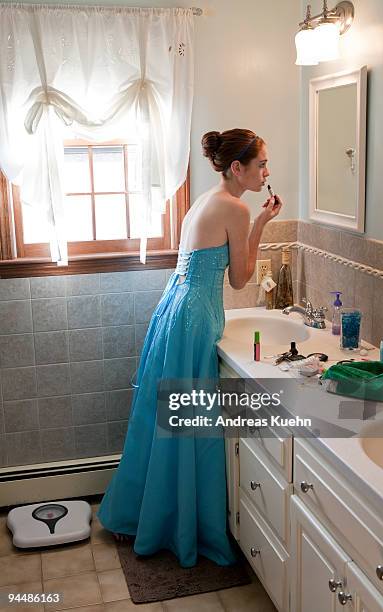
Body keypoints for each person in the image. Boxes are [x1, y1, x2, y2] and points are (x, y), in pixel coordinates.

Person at [97, 128, 283, 568]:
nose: (266, 172)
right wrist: (260, 224)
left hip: (174, 310)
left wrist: (255, 224)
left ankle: (140, 513)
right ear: (237, 168)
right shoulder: (235, 208)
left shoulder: (205, 199)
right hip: (195, 319)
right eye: (261, 164)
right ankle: (178, 526)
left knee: (163, 417)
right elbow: (240, 279)